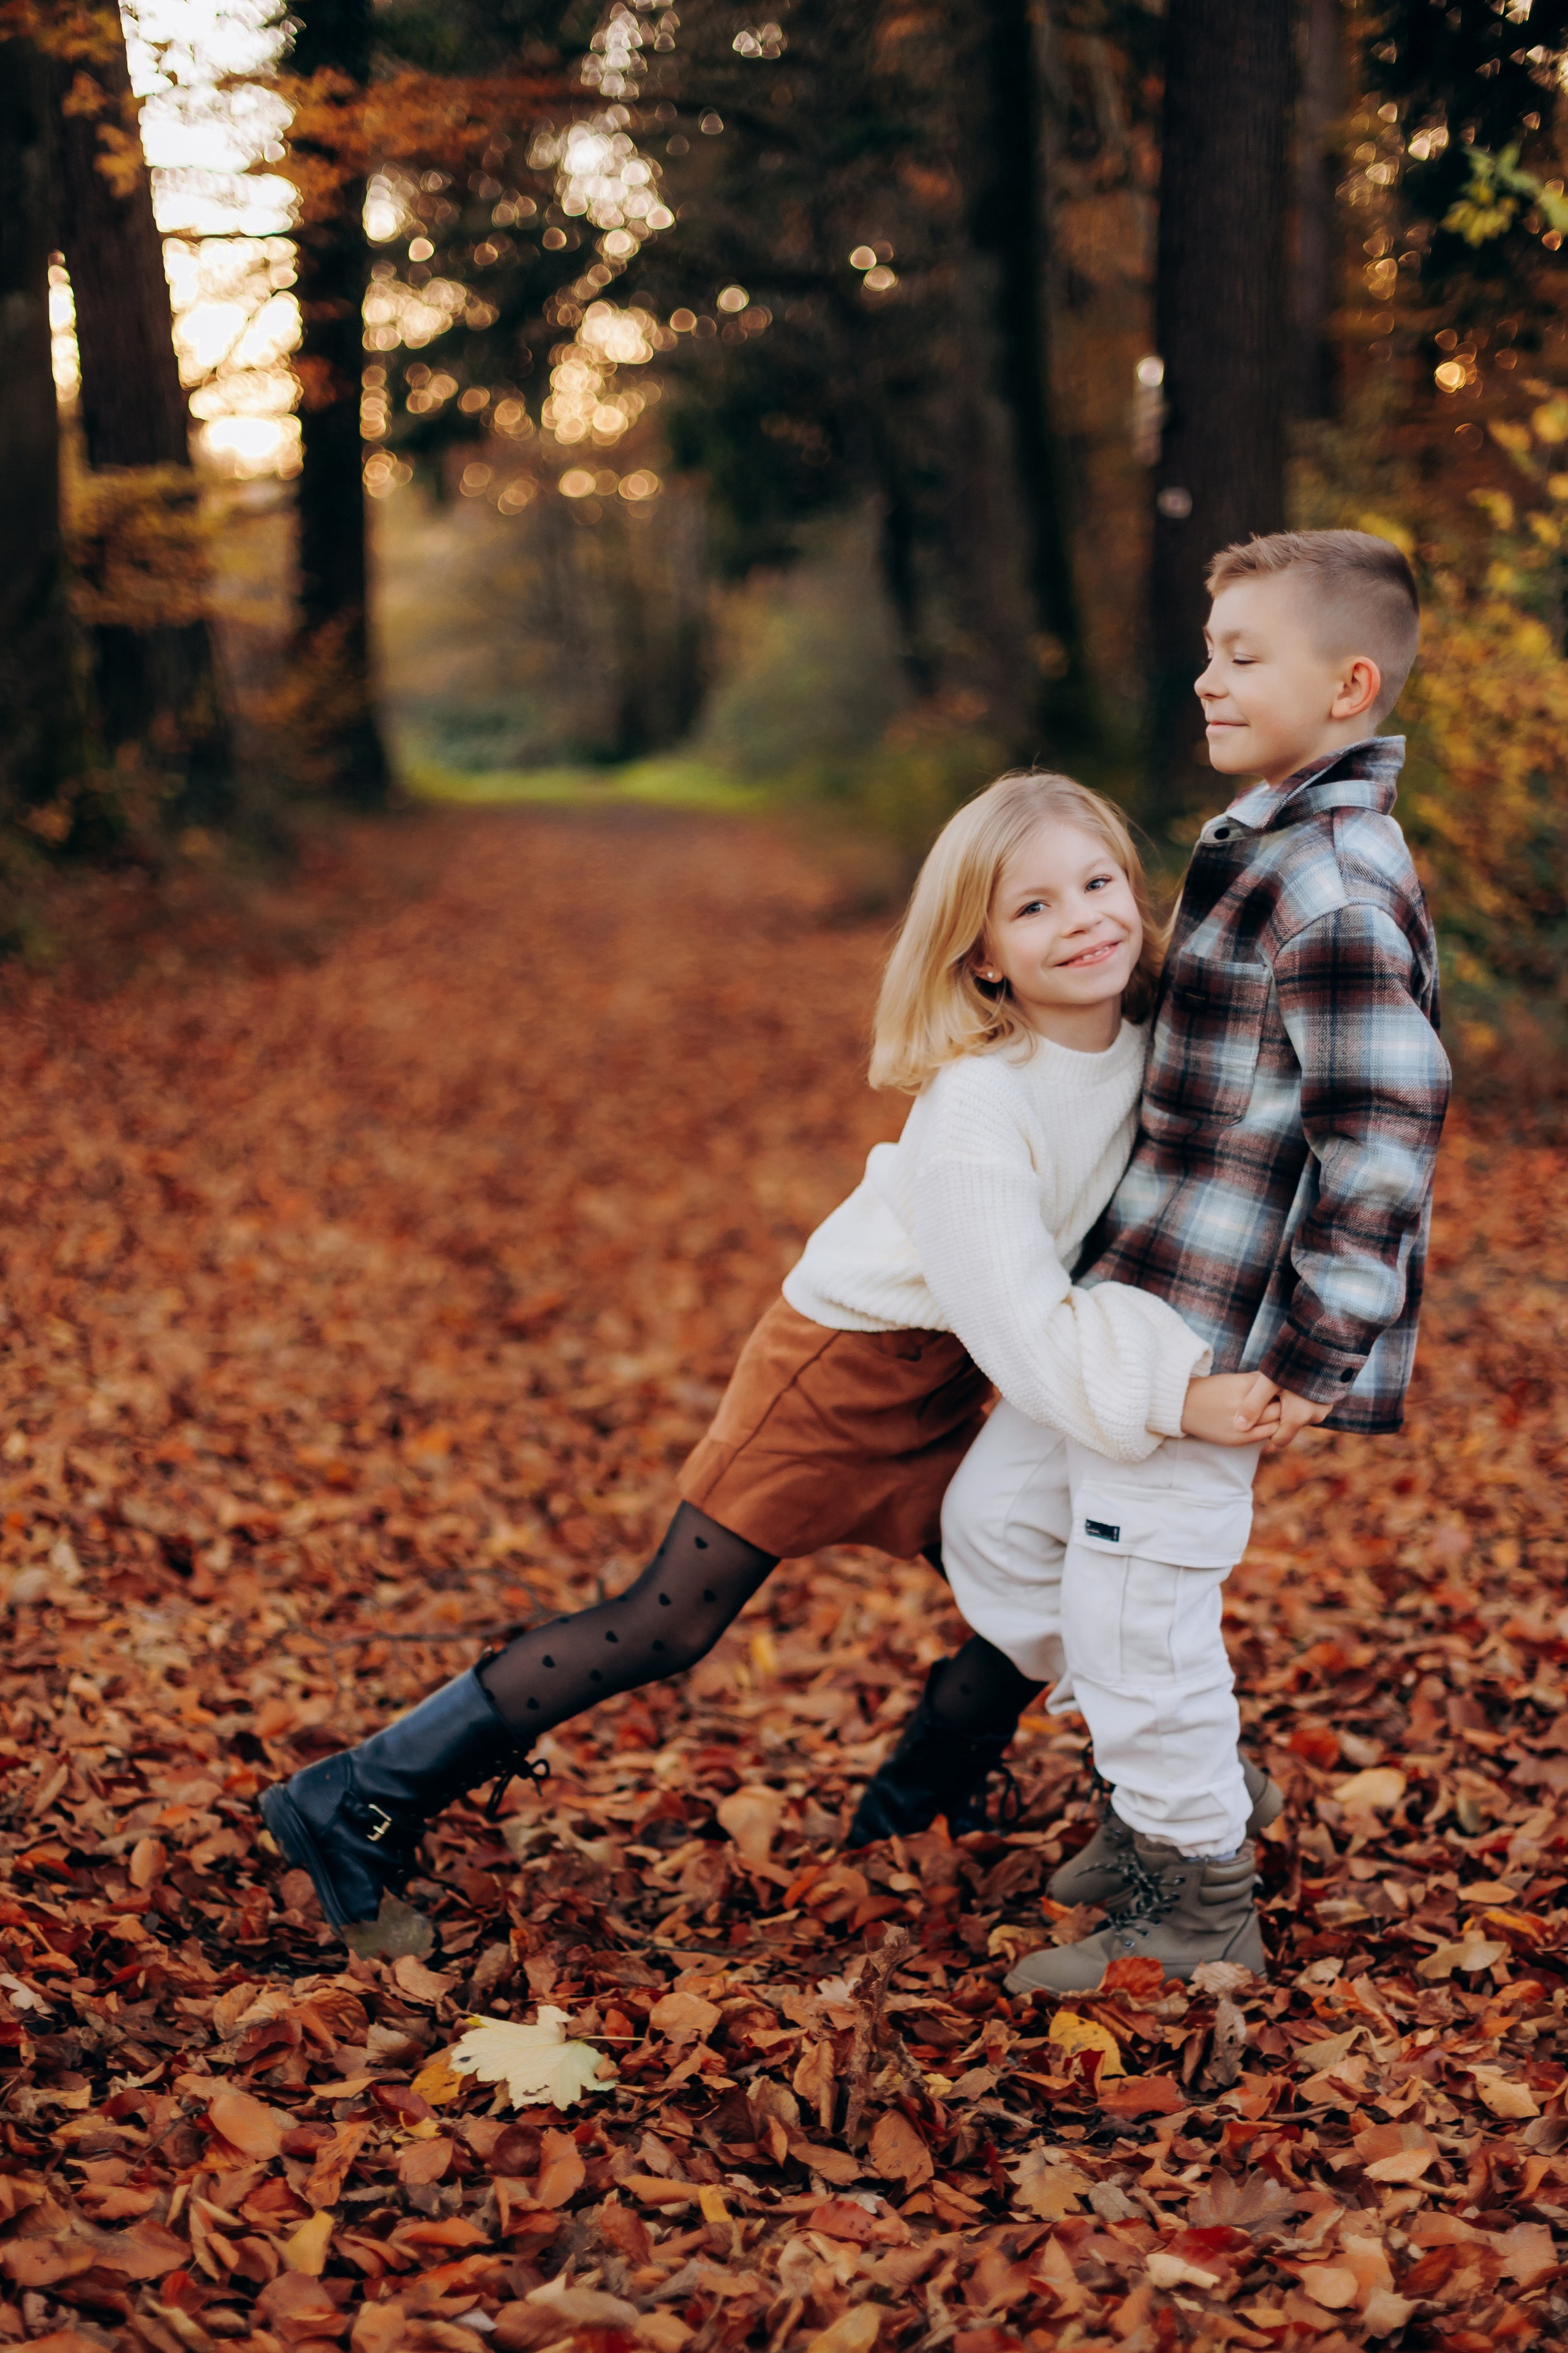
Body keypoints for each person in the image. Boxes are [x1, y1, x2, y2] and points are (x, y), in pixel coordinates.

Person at [260, 772, 1264, 1943]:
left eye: (1098, 884)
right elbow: (1028, 1325)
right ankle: (357, 1798)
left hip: (960, 1366)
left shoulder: (1146, 1035)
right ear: (982, 958)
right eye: (1032, 908)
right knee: (668, 1622)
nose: (1083, 918)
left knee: (1025, 1577)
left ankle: (909, 1824)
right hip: (837, 1369)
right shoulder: (980, 1107)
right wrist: (1176, 1401)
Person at [900, 529, 1449, 1990]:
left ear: (1345, 683)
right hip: (1132, 1292)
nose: (1204, 677)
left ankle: (1194, 1900)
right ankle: (1177, 1776)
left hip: (1220, 1333)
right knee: (998, 1525)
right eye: (1208, 649)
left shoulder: (1329, 880)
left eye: (1240, 655)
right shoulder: (1255, 836)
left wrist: (1305, 1362)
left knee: (1136, 1609)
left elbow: (1382, 1135)